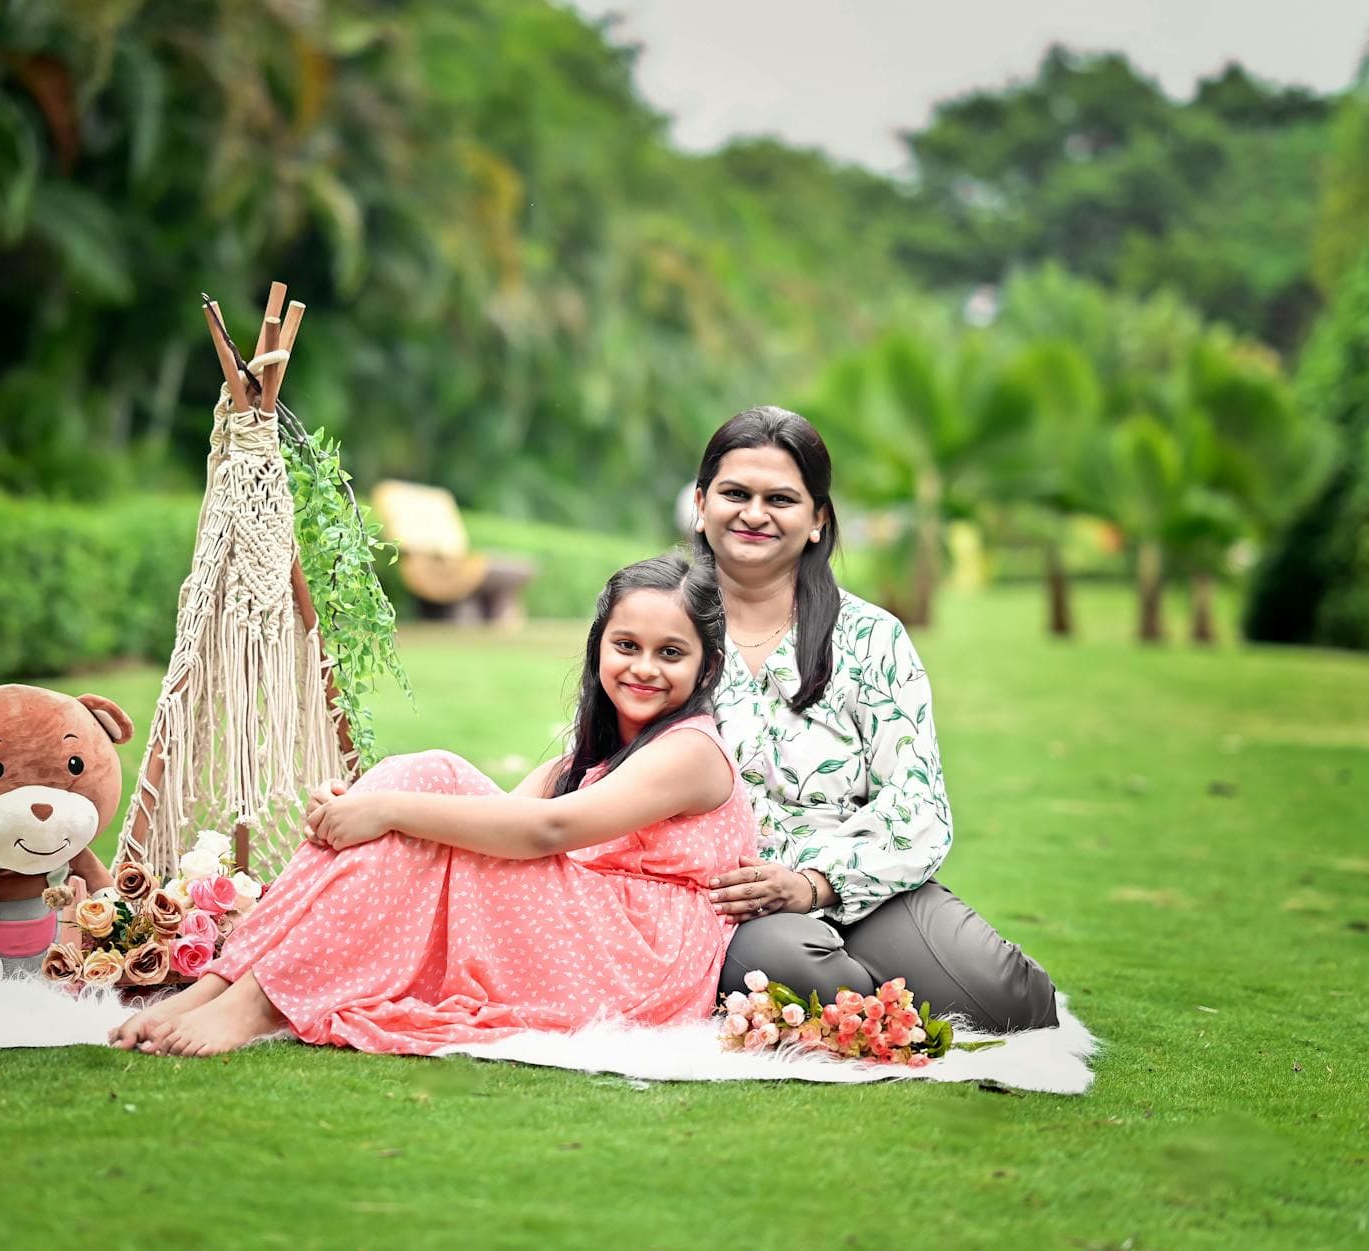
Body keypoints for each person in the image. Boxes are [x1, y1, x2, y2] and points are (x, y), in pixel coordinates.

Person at [110, 552, 756, 1057]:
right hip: (596, 930)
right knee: (424, 784)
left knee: (431, 776)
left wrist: (387, 810)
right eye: (626, 646)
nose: (644, 667)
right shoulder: (599, 747)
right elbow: (493, 820)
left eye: (670, 652)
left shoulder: (691, 750)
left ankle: (256, 998)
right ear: (598, 647)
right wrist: (364, 807)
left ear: (707, 666)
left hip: (640, 960)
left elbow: (546, 828)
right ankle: (224, 984)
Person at [694, 406, 1059, 1032]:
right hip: (736, 904)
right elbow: (598, 761)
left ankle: (872, 991)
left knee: (1010, 1001)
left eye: (781, 498)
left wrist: (813, 883)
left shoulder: (870, 637)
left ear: (817, 521)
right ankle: (872, 1003)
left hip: (859, 879)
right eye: (736, 493)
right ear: (702, 505)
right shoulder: (662, 629)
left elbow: (919, 806)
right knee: (793, 967)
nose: (755, 514)